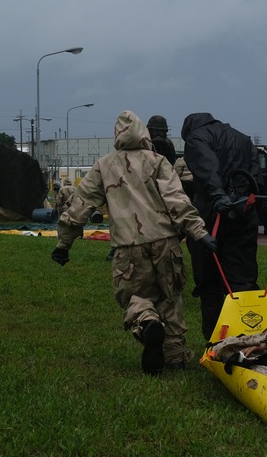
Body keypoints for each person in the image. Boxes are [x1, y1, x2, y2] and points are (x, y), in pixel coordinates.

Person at [51, 111, 216, 375]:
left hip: (128, 244)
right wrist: (199, 232)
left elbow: (80, 205)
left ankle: (148, 322)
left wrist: (63, 244)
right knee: (170, 297)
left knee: (134, 297)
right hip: (165, 241)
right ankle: (174, 358)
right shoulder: (158, 161)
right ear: (144, 133)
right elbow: (177, 199)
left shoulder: (104, 165)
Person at [181, 112, 263, 341]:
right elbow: (257, 178)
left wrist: (218, 195)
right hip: (243, 212)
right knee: (242, 281)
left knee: (209, 282)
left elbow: (207, 166)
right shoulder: (244, 139)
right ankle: (248, 338)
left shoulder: (197, 138)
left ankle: (216, 341)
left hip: (211, 210)